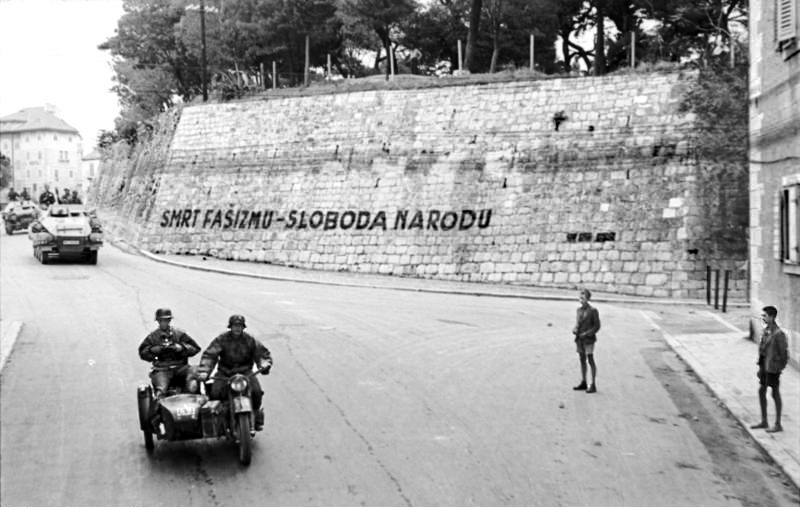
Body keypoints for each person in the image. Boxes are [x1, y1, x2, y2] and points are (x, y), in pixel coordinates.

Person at [197, 315, 272, 430]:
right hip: (225, 373)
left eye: (240, 326)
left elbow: (262, 354)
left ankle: (256, 417)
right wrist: (204, 371)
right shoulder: (221, 339)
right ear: (230, 327)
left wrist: (264, 364)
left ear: (243, 327)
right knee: (215, 393)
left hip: (245, 373)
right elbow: (210, 356)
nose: (237, 328)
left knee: (256, 392)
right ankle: (218, 420)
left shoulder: (250, 340)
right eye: (235, 326)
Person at [138, 308, 201, 399]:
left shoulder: (179, 334)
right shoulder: (152, 337)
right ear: (158, 321)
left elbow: (195, 348)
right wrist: (153, 350)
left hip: (181, 367)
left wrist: (181, 348)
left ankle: (196, 403)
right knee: (161, 391)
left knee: (194, 381)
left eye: (166, 320)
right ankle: (158, 410)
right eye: (161, 321)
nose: (164, 323)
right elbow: (143, 353)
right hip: (162, 369)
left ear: (169, 321)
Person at [750, 306, 789, 433]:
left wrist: (778, 368)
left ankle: (778, 424)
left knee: (775, 393)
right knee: (762, 391)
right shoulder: (766, 330)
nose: (763, 318)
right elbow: (763, 349)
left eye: (765, 316)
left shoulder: (779, 334)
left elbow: (784, 355)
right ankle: (764, 421)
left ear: (772, 317)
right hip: (764, 367)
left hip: (773, 369)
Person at [573, 288, 600, 393]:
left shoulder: (593, 311)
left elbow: (597, 326)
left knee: (590, 359)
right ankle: (584, 381)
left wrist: (587, 333)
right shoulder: (578, 310)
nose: (581, 300)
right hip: (579, 339)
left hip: (588, 340)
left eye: (583, 298)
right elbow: (578, 324)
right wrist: (575, 329)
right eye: (580, 297)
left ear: (588, 299)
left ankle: (593, 384)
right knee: (582, 359)